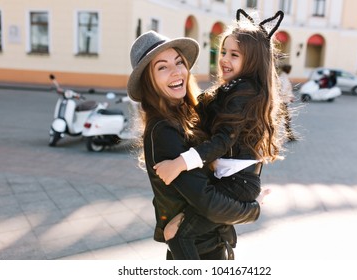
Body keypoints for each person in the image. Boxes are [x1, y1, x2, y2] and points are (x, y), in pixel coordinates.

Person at [154, 10, 285, 259]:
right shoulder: (231, 89)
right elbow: (199, 105)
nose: (224, 59)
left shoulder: (245, 92)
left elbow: (223, 139)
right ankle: (226, 235)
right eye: (223, 52)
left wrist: (180, 163)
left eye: (234, 55)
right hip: (232, 181)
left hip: (236, 184)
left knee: (178, 233)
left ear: (253, 61)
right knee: (182, 230)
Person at [127, 30, 263, 260]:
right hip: (198, 254)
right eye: (162, 67)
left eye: (179, 62)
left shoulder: (189, 113)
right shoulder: (164, 130)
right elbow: (209, 203)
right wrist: (253, 209)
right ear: (148, 82)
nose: (176, 71)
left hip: (213, 246)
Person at [279, 64, 297, 141]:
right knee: (286, 119)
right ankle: (290, 136)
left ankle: (290, 136)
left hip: (282, 101)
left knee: (285, 119)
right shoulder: (284, 78)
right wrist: (289, 96)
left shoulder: (283, 77)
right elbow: (283, 91)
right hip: (282, 102)